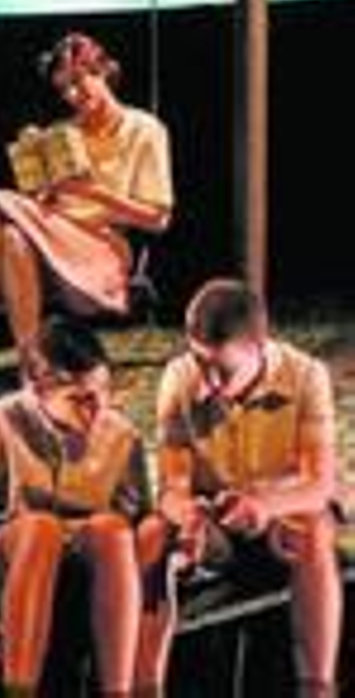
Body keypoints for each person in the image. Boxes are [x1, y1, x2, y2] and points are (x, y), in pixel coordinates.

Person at [0, 32, 172, 369]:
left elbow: (158, 219)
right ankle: (33, 367)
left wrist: (90, 192)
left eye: (77, 83)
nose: (71, 96)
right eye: (63, 89)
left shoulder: (145, 129)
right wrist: (35, 165)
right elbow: (42, 201)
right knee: (12, 236)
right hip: (53, 238)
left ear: (102, 71)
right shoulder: (63, 132)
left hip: (103, 252)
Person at [0, 316, 168, 694]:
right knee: (40, 527)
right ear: (35, 390)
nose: (97, 409)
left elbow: (139, 526)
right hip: (12, 563)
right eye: (79, 400)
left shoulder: (121, 435)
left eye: (103, 392)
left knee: (113, 529)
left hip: (83, 567)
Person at [146, 279, 343, 696]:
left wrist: (264, 504)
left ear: (259, 347)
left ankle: (317, 685)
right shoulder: (178, 379)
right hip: (216, 524)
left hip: (280, 520)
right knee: (154, 534)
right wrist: (188, 513)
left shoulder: (306, 376)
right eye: (201, 363)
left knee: (314, 530)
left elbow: (319, 483)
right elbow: (171, 486)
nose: (212, 383)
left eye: (224, 371)